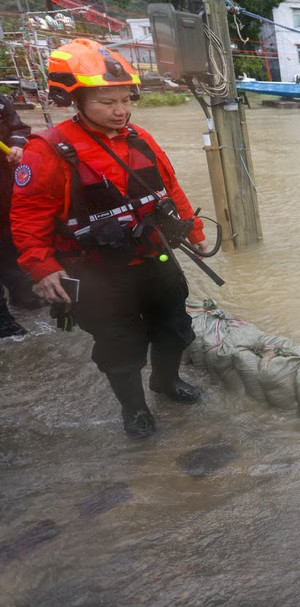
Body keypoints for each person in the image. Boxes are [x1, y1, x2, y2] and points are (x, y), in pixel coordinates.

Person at [10, 39, 208, 438]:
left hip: (155, 258)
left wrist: (195, 231)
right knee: (119, 345)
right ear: (75, 99)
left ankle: (166, 383)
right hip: (96, 270)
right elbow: (27, 217)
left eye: (125, 99)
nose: (120, 110)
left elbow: (170, 190)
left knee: (174, 327)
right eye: (107, 102)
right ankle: (133, 409)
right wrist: (42, 267)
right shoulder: (47, 151)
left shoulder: (140, 139)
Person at [0, 92, 38, 338]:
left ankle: (22, 294)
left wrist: (16, 144)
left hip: (5, 190)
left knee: (10, 245)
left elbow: (19, 127)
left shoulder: (1, 100)